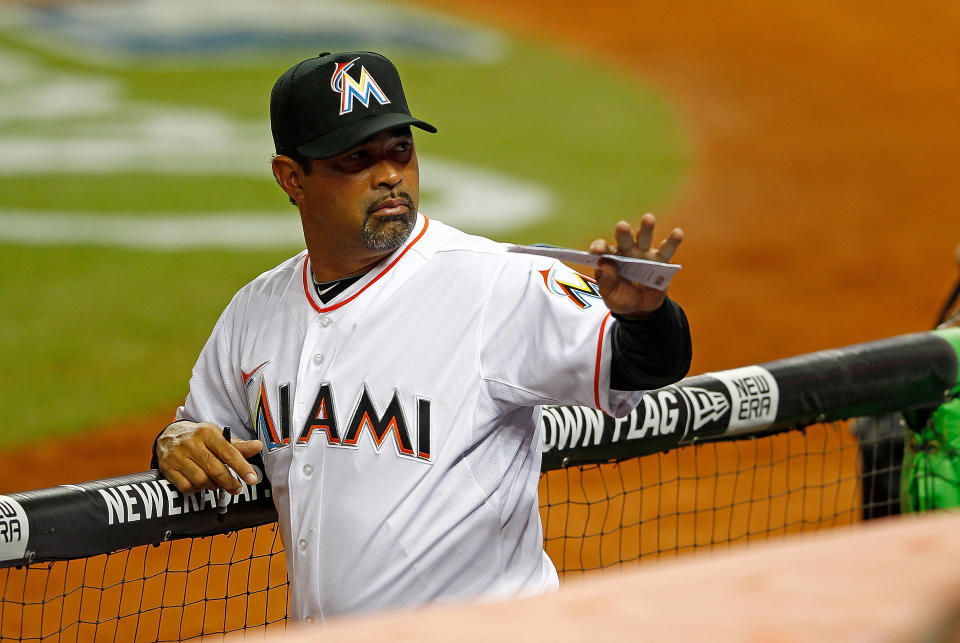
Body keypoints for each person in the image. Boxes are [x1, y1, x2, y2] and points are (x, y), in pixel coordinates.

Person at [153, 51, 692, 623]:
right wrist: (174, 442)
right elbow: (200, 430)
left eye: (400, 150)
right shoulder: (255, 312)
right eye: (357, 158)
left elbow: (643, 365)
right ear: (292, 177)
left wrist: (645, 316)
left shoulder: (495, 282)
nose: (389, 175)